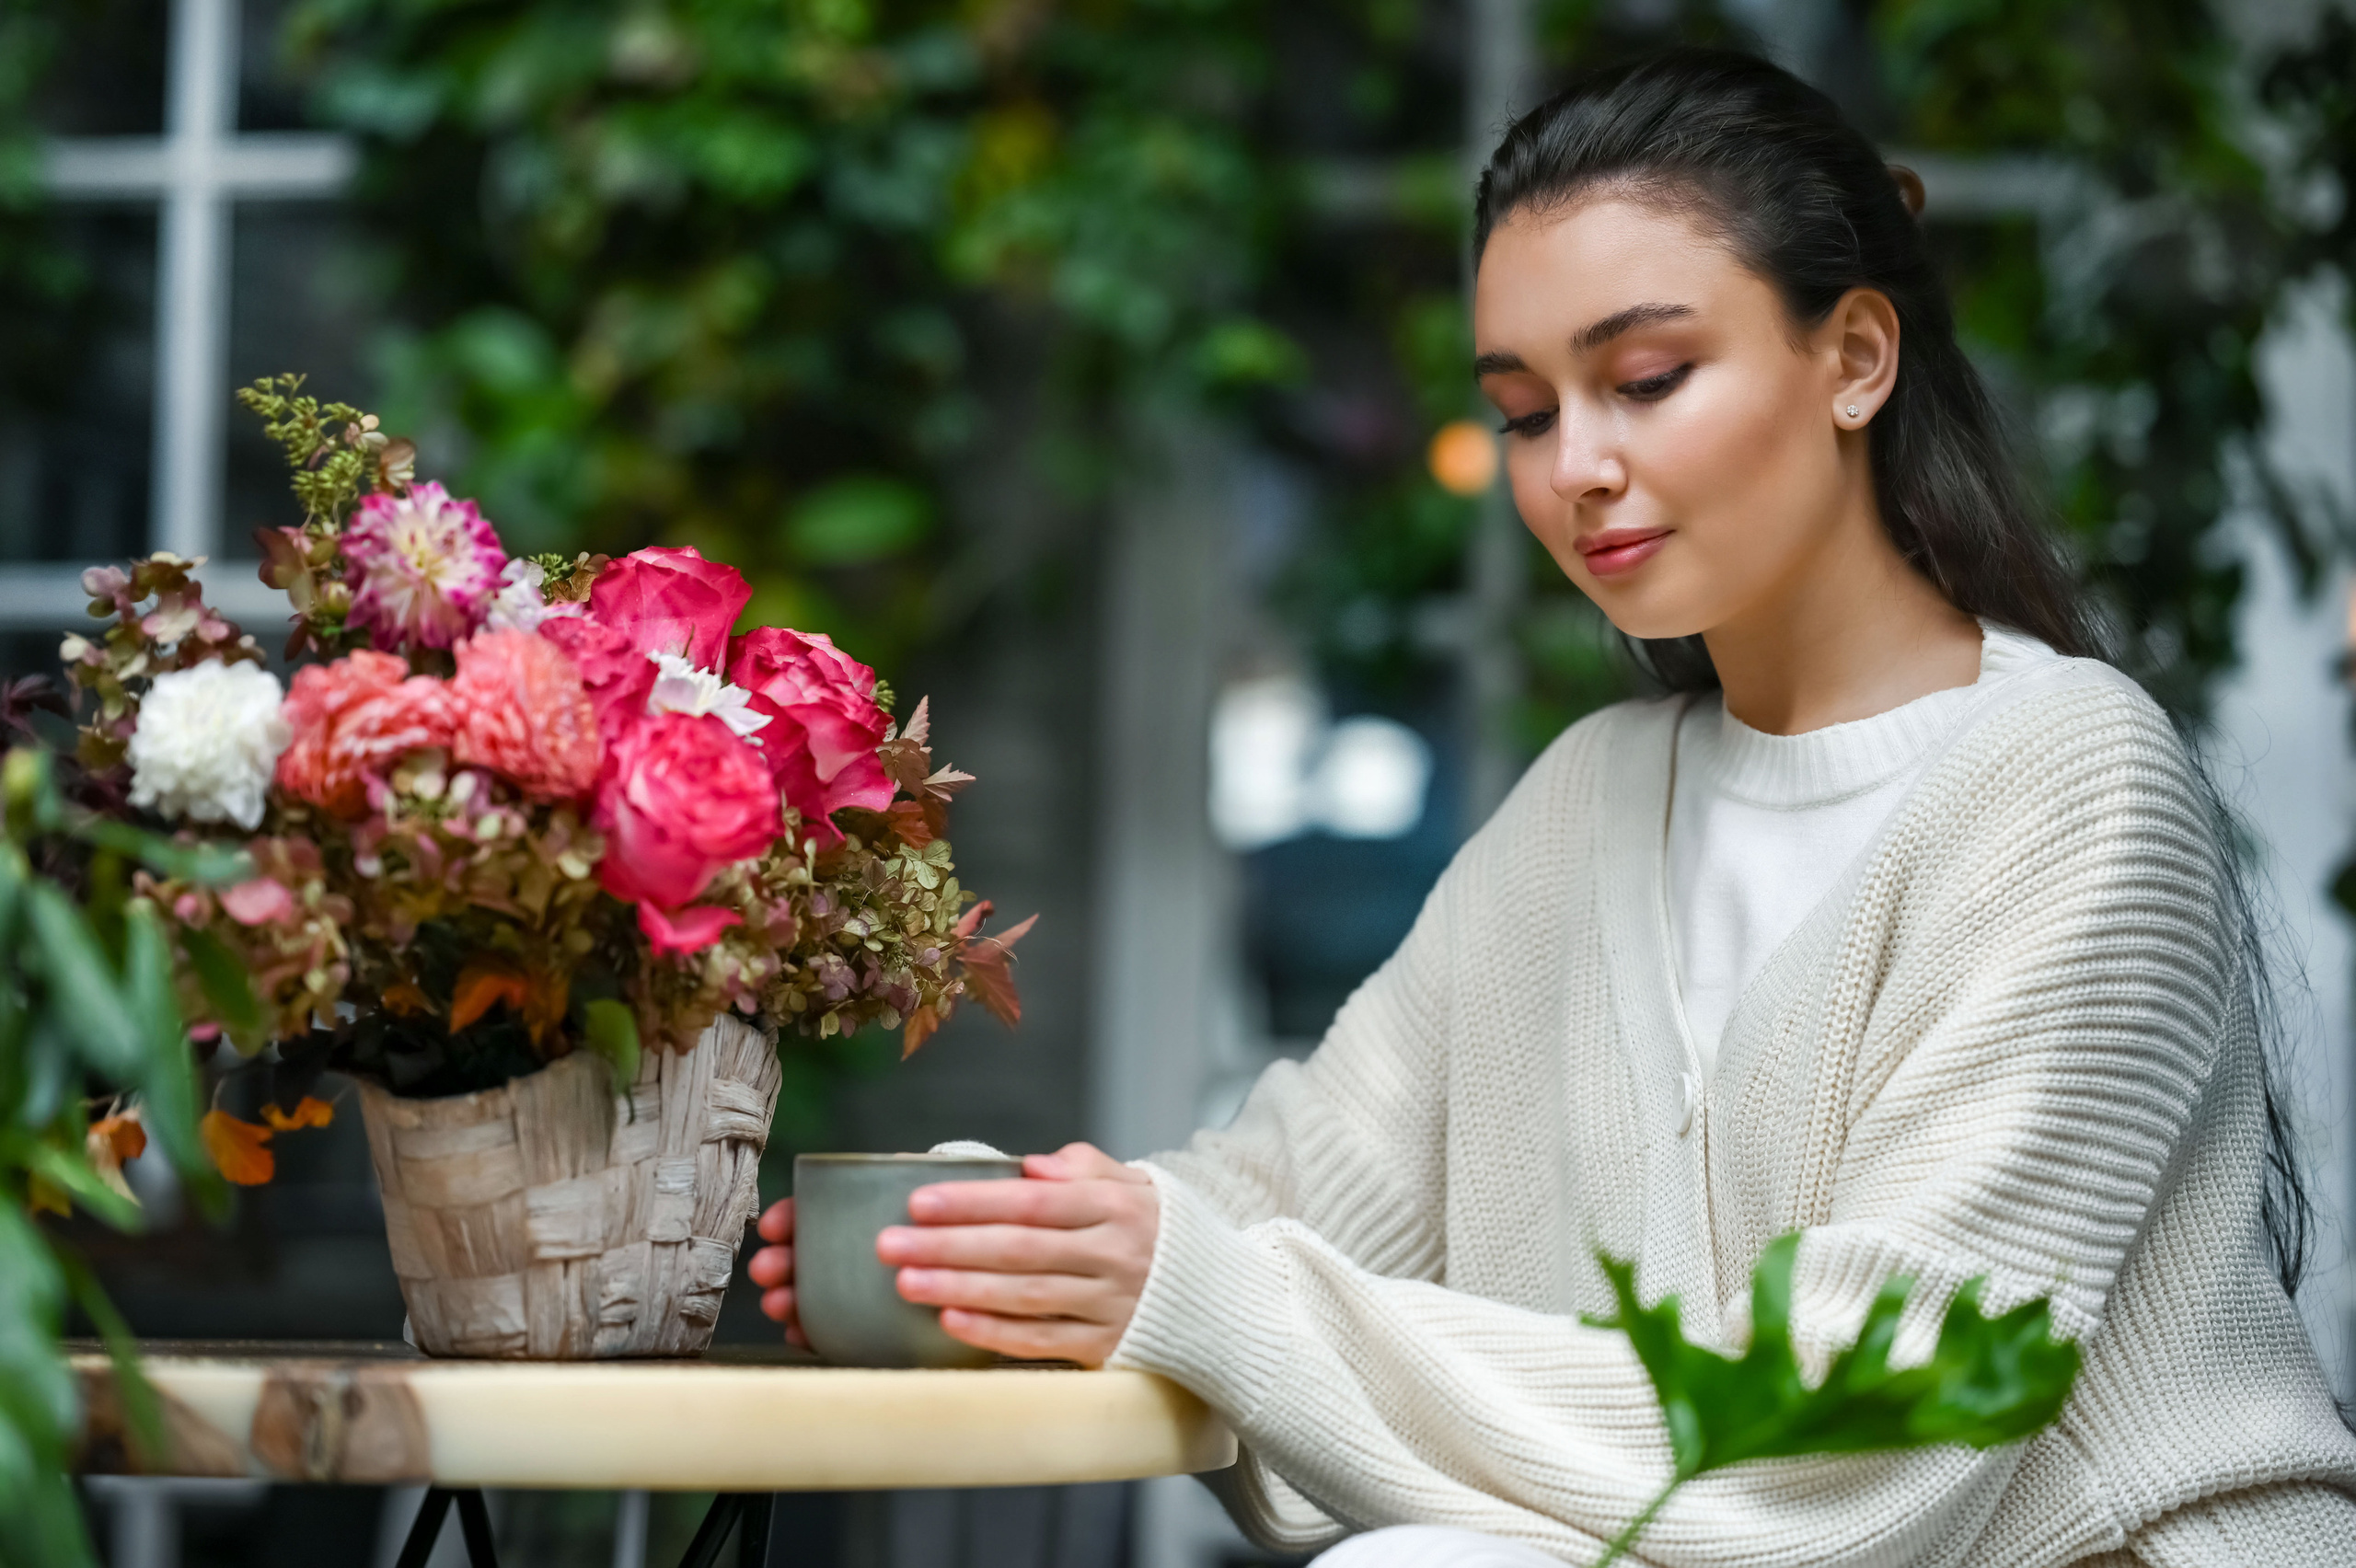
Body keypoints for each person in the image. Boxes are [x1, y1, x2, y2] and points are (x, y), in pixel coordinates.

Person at [748, 48, 2356, 1566]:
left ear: (1856, 358)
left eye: (1647, 378)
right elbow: (1301, 1191)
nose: (1573, 465)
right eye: (1523, 412)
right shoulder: (1592, 801)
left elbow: (1856, 1433)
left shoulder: (2072, 782)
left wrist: (1195, 1292)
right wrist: (992, 1246)